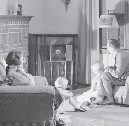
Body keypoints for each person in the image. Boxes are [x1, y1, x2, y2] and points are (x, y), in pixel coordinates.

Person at [100, 39, 129, 105]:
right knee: (106, 74)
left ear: (111, 47)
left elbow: (117, 74)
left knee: (104, 75)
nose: (107, 49)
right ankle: (104, 97)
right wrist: (110, 68)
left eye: (107, 47)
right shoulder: (122, 53)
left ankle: (109, 99)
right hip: (124, 76)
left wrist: (108, 69)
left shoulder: (121, 56)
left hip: (123, 79)